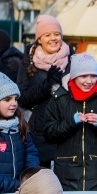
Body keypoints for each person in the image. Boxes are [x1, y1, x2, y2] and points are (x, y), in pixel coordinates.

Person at [43, 53, 97, 191]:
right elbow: (49, 134)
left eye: (93, 76)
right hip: (66, 174)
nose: (89, 81)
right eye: (83, 76)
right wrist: (71, 122)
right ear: (73, 76)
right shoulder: (59, 98)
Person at [17, 15, 73, 170]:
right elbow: (23, 98)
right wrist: (47, 84)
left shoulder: (72, 60)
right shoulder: (29, 61)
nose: (53, 38)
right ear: (39, 39)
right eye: (47, 35)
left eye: (57, 34)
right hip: (39, 131)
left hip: (66, 129)